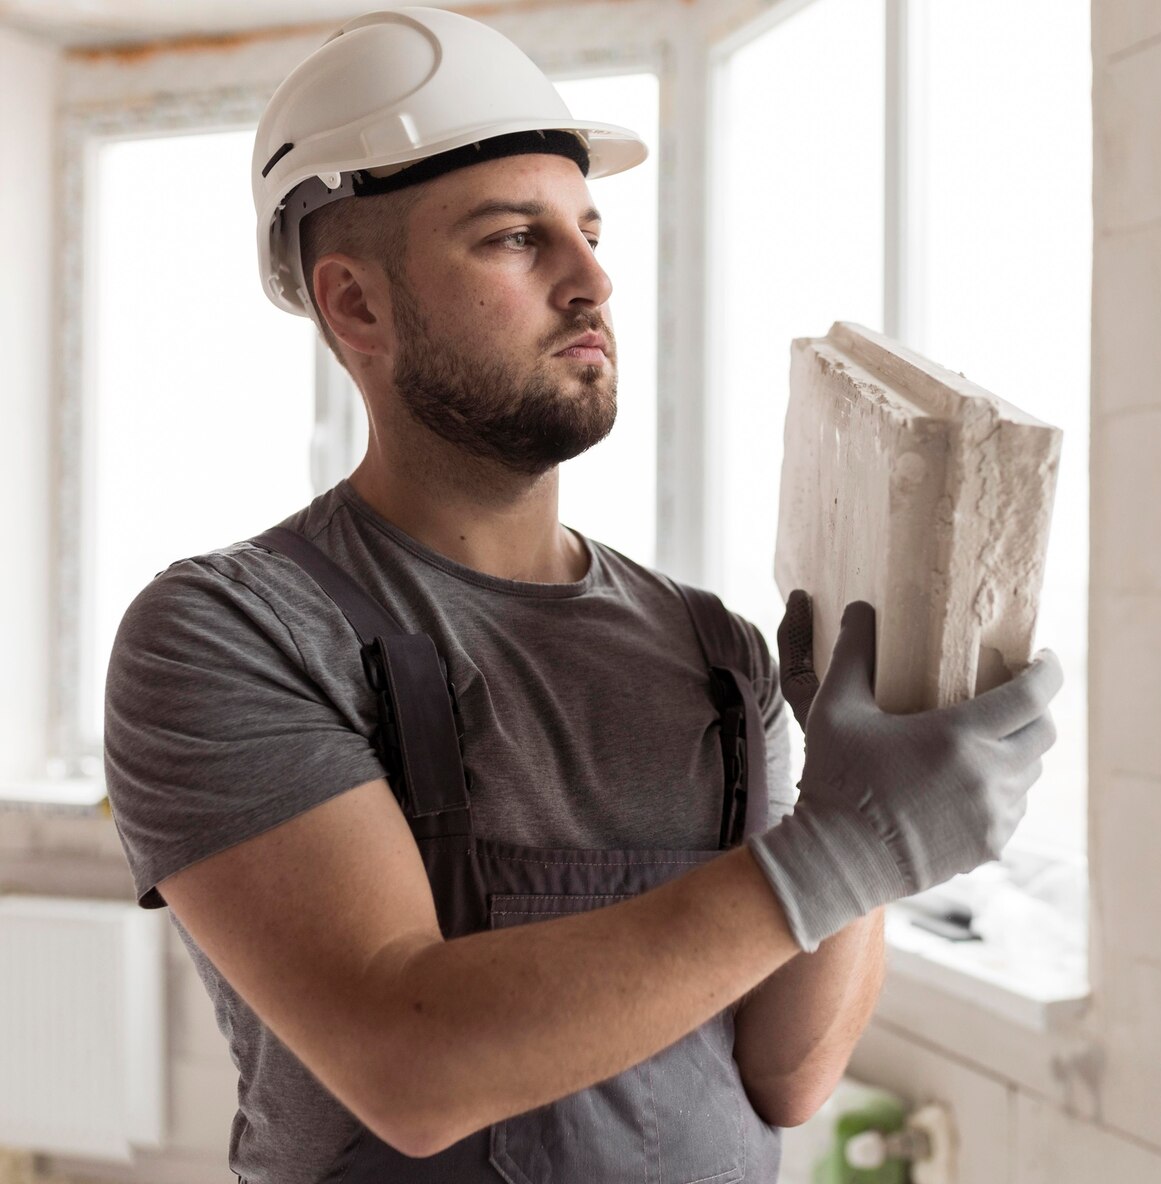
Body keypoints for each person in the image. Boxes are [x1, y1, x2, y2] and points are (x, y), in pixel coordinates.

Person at [103, 7, 1063, 1183]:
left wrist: (870, 798)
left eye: (590, 229)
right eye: (515, 238)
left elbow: (784, 1072)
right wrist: (845, 847)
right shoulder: (234, 630)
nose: (592, 277)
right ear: (355, 306)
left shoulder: (712, 647)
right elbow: (410, 1062)